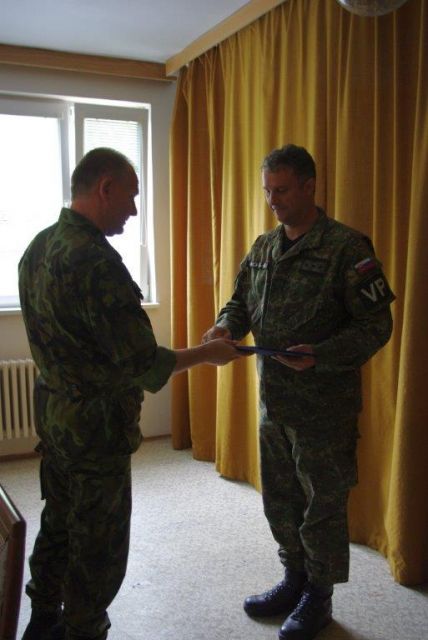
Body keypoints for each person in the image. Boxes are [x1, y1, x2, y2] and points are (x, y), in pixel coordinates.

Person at [18, 147, 242, 640]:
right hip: (95, 431)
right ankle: (82, 629)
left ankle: (42, 619)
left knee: (58, 522)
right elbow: (143, 363)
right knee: (98, 545)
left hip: (54, 419)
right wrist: (209, 354)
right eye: (131, 195)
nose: (134, 209)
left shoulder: (39, 246)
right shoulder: (95, 262)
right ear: (105, 189)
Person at [202, 144, 395, 640]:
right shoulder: (264, 247)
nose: (273, 200)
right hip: (275, 400)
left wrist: (322, 354)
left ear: (310, 186)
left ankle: (319, 596)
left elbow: (377, 325)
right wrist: (225, 327)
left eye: (282, 190)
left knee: (322, 505)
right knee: (281, 498)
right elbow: (239, 303)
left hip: (324, 408)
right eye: (268, 191)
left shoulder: (347, 248)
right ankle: (294, 578)